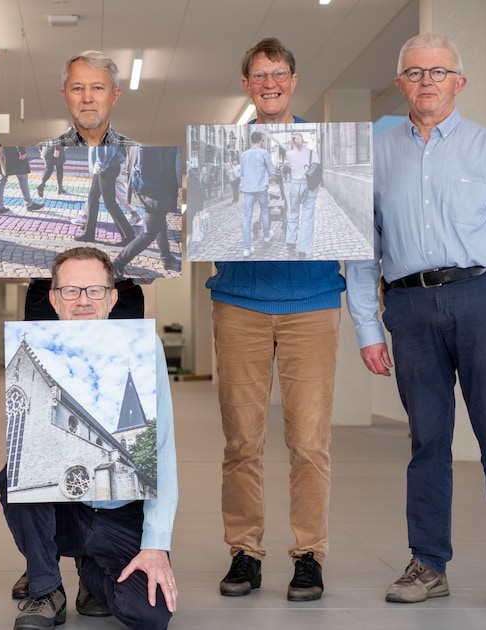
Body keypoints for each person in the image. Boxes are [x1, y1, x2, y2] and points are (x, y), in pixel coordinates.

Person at [346, 32, 486, 614]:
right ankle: (428, 563)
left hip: (483, 302)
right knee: (426, 442)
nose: (426, 81)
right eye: (414, 72)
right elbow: (363, 251)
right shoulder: (378, 156)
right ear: (401, 83)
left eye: (438, 72)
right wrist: (367, 328)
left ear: (459, 82)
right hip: (408, 308)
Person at [208, 37, 345, 603]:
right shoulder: (219, 149)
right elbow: (214, 221)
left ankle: (309, 555)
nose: (270, 83)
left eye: (279, 73)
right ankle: (245, 550)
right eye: (259, 75)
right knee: (241, 441)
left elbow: (340, 223)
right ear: (246, 84)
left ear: (293, 79)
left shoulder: (325, 148)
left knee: (309, 443)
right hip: (239, 303)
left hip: (311, 305)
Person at [0, 247, 178, 629]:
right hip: (63, 508)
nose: (83, 301)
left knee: (150, 614)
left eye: (95, 290)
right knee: (16, 470)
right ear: (53, 299)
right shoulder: (32, 349)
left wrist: (156, 545)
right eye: (71, 291)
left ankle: (93, 570)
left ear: (112, 297)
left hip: (120, 510)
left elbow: (161, 449)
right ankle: (47, 588)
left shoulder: (146, 348)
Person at [25, 51, 146, 322]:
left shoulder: (140, 154)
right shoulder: (40, 153)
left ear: (115, 95)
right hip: (50, 299)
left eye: (98, 88)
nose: (87, 97)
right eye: (77, 88)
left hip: (120, 298)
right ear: (65, 95)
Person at [111, 146, 182, 278]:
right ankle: (118, 263)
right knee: (149, 233)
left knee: (159, 224)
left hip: (146, 186)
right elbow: (173, 165)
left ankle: (167, 258)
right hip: (157, 189)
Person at [283, 132, 320, 258]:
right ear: (303, 141)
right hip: (309, 185)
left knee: (293, 213)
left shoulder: (289, 154)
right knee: (307, 217)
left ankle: (291, 241)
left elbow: (288, 167)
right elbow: (317, 168)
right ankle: (303, 249)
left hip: (295, 185)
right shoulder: (312, 152)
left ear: (292, 142)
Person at [239, 131, 274, 257]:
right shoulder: (264, 153)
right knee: (264, 211)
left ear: (251, 140)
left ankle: (246, 249)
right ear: (261, 141)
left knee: (247, 217)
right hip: (261, 188)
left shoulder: (244, 155)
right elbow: (271, 170)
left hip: (248, 189)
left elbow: (242, 173)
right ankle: (266, 236)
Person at [0, 146, 44, 213]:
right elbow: (16, 136)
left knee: (2, 177)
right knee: (22, 177)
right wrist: (22, 151)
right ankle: (29, 204)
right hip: (12, 151)